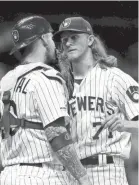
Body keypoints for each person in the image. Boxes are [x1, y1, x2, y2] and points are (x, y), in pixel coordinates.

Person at [0, 15, 92, 185]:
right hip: (41, 175)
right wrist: (83, 177)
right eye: (51, 37)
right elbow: (56, 134)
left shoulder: (5, 83)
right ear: (43, 38)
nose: (54, 43)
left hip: (8, 175)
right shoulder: (46, 78)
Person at [53, 16, 139, 185]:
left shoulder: (114, 78)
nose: (68, 43)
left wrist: (126, 124)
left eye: (74, 37)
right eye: (64, 40)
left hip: (106, 171)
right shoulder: (59, 86)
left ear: (90, 40)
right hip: (71, 175)